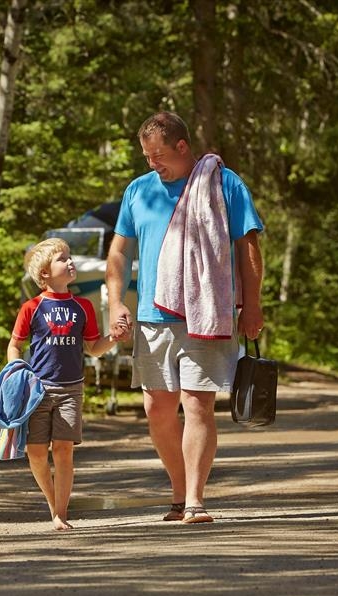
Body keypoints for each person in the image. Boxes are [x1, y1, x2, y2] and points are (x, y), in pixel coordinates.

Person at [106, 111, 265, 524]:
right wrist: (115, 302)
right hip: (152, 316)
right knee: (157, 409)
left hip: (207, 312)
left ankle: (194, 499)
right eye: (146, 156)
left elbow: (248, 247)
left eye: (158, 155)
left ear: (182, 147)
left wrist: (253, 304)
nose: (152, 164)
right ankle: (178, 491)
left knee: (197, 406)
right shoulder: (138, 191)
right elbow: (119, 251)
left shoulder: (223, 184)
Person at [7, 237, 126, 531]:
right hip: (37, 390)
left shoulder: (83, 307)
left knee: (63, 450)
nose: (70, 262)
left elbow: (92, 348)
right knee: (35, 452)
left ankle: (61, 513)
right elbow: (15, 344)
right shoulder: (31, 307)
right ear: (45, 273)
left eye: (69, 257)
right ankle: (52, 503)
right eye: (62, 259)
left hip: (71, 390)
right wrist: (13, 370)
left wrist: (114, 338)